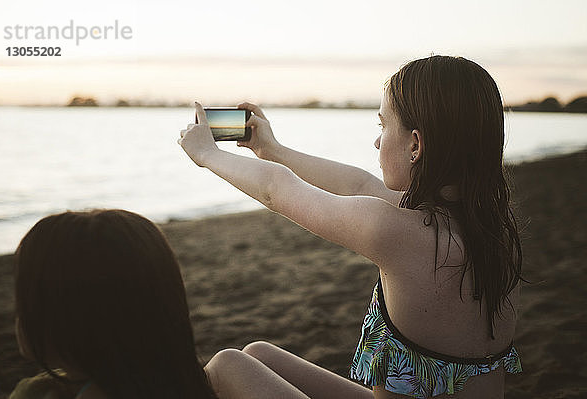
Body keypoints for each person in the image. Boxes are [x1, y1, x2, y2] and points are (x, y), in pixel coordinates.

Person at [177, 55, 524, 399]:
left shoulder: (395, 230)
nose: (377, 141)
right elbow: (359, 185)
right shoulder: (491, 232)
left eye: (382, 126)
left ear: (415, 144)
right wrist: (273, 151)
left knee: (226, 367)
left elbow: (275, 191)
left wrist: (208, 155)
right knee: (257, 355)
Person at [11, 209, 329, 399]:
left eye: (23, 301)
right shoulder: (207, 380)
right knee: (248, 356)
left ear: (61, 319)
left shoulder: (38, 392)